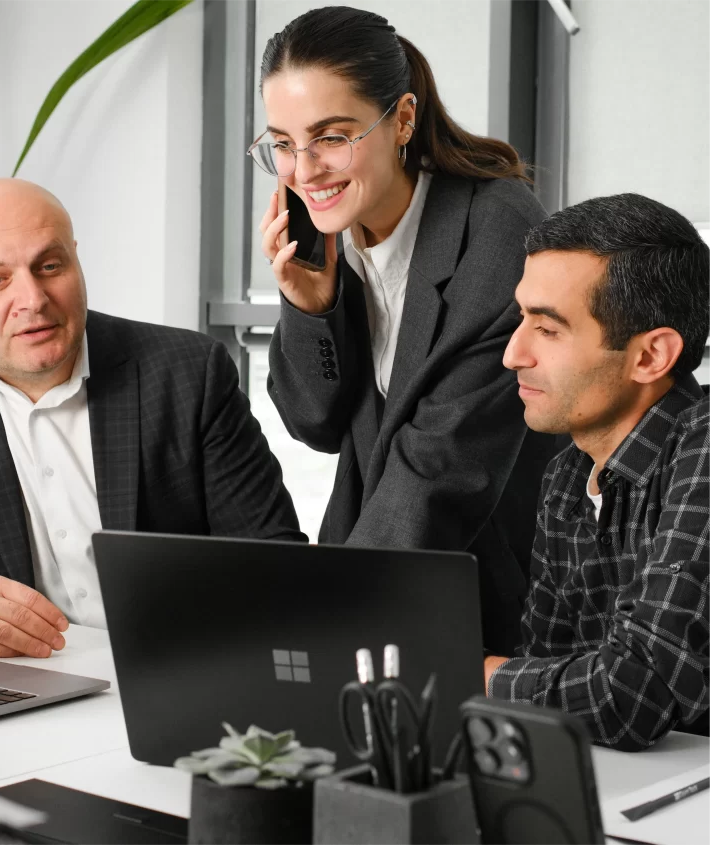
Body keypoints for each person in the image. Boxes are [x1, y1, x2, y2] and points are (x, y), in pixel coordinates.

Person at [252, 7, 556, 653]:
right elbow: (316, 423)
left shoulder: (497, 234)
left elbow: (441, 469)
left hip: (492, 598)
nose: (304, 172)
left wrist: (321, 620)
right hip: (380, 584)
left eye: (331, 137)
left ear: (404, 120)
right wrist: (310, 308)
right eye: (282, 143)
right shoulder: (335, 236)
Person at [0, 178, 304, 660]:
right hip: (6, 694)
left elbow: (275, 563)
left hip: (171, 675)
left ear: (76, 260)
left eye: (50, 266)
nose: (33, 299)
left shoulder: (189, 374)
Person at [486, 193, 710, 750]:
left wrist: (476, 675)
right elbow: (551, 673)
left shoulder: (704, 444)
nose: (514, 353)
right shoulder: (567, 476)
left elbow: (634, 694)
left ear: (651, 356)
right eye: (522, 318)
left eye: (549, 328)